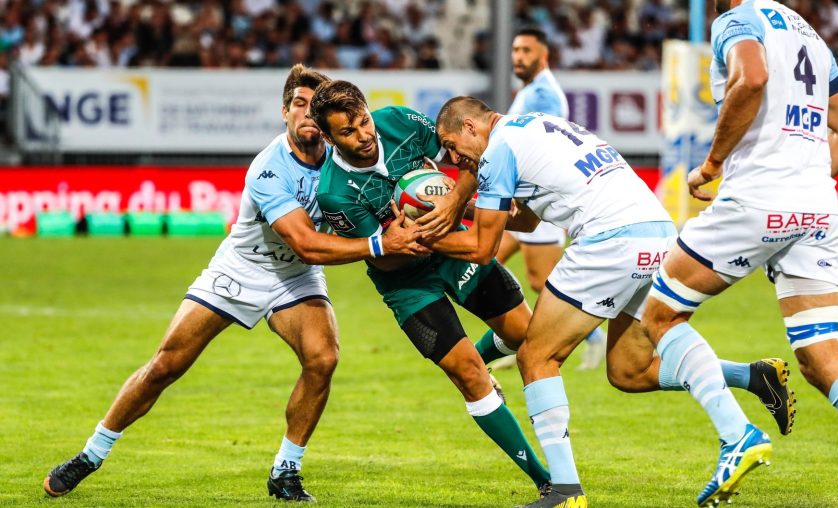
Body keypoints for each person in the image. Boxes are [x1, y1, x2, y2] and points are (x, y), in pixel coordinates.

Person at [43, 65, 428, 502]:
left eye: (312, 106)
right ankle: (91, 454)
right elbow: (306, 243)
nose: (305, 114)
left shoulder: (344, 160)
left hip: (295, 279)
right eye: (297, 104)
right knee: (166, 365)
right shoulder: (269, 168)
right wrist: (379, 245)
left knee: (322, 358)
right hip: (241, 269)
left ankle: (286, 470)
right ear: (284, 112)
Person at [641, 0, 838, 508]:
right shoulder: (809, 33)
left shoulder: (736, 20)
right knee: (821, 358)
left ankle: (737, 437)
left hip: (758, 197)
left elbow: (752, 79)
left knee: (660, 316)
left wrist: (711, 164)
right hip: (818, 207)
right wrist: (807, 184)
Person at [429, 96, 792, 508]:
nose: (455, 161)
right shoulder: (533, 126)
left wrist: (416, 236)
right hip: (657, 232)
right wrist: (478, 205)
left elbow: (481, 249)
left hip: (609, 243)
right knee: (628, 371)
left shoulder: (496, 152)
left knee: (536, 357)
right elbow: (528, 220)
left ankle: (565, 492)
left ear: (471, 128)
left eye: (453, 146)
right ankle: (751, 383)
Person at [309, 80, 553, 498]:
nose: (364, 135)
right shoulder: (334, 193)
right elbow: (383, 258)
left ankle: (480, 352)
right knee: (469, 376)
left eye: (363, 121)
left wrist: (453, 203)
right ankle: (547, 482)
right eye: (347, 133)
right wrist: (405, 237)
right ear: (329, 139)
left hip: (455, 247)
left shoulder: (399, 121)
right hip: (406, 284)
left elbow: (470, 155)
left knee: (527, 339)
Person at [481, 27, 607, 373]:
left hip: (535, 203)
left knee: (543, 282)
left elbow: (546, 147)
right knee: (485, 258)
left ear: (543, 55)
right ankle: (515, 336)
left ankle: (594, 337)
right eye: (515, 50)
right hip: (517, 201)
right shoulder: (531, 91)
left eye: (526, 50)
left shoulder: (544, 96)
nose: (518, 56)